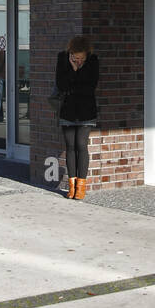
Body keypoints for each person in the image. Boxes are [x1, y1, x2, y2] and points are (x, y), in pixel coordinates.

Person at [55, 35, 99, 200]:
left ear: (87, 54)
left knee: (81, 145)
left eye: (82, 58)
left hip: (86, 110)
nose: (79, 60)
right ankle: (72, 186)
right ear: (70, 53)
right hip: (68, 109)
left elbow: (91, 85)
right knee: (70, 146)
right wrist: (73, 70)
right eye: (75, 58)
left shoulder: (93, 61)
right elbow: (61, 85)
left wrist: (76, 75)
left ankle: (81, 186)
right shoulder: (62, 58)